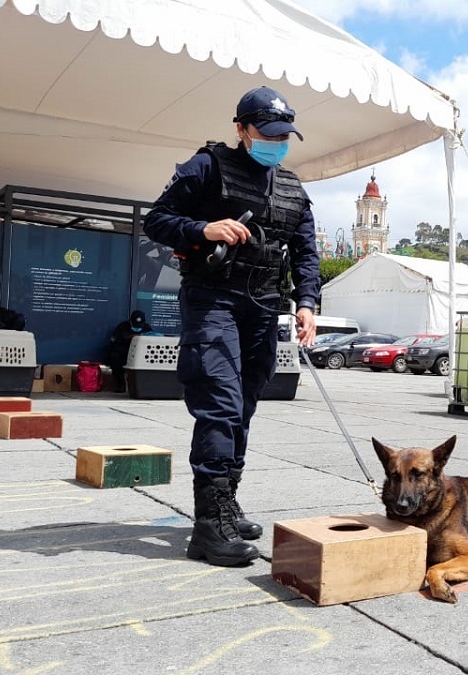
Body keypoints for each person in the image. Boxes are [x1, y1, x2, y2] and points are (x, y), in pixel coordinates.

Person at [143, 86, 320, 567]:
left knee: (243, 404)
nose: (277, 143)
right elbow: (156, 221)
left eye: (285, 136)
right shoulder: (207, 167)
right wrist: (205, 229)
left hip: (264, 306)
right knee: (219, 402)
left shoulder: (292, 187)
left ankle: (226, 500)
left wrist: (307, 302)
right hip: (213, 298)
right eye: (268, 134)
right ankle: (207, 528)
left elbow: (306, 251)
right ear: (241, 129)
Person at [106, 310, 153, 392]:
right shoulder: (122, 327)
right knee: (115, 357)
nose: (137, 327)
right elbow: (114, 344)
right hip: (124, 352)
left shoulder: (147, 328)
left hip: (140, 354)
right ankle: (120, 384)